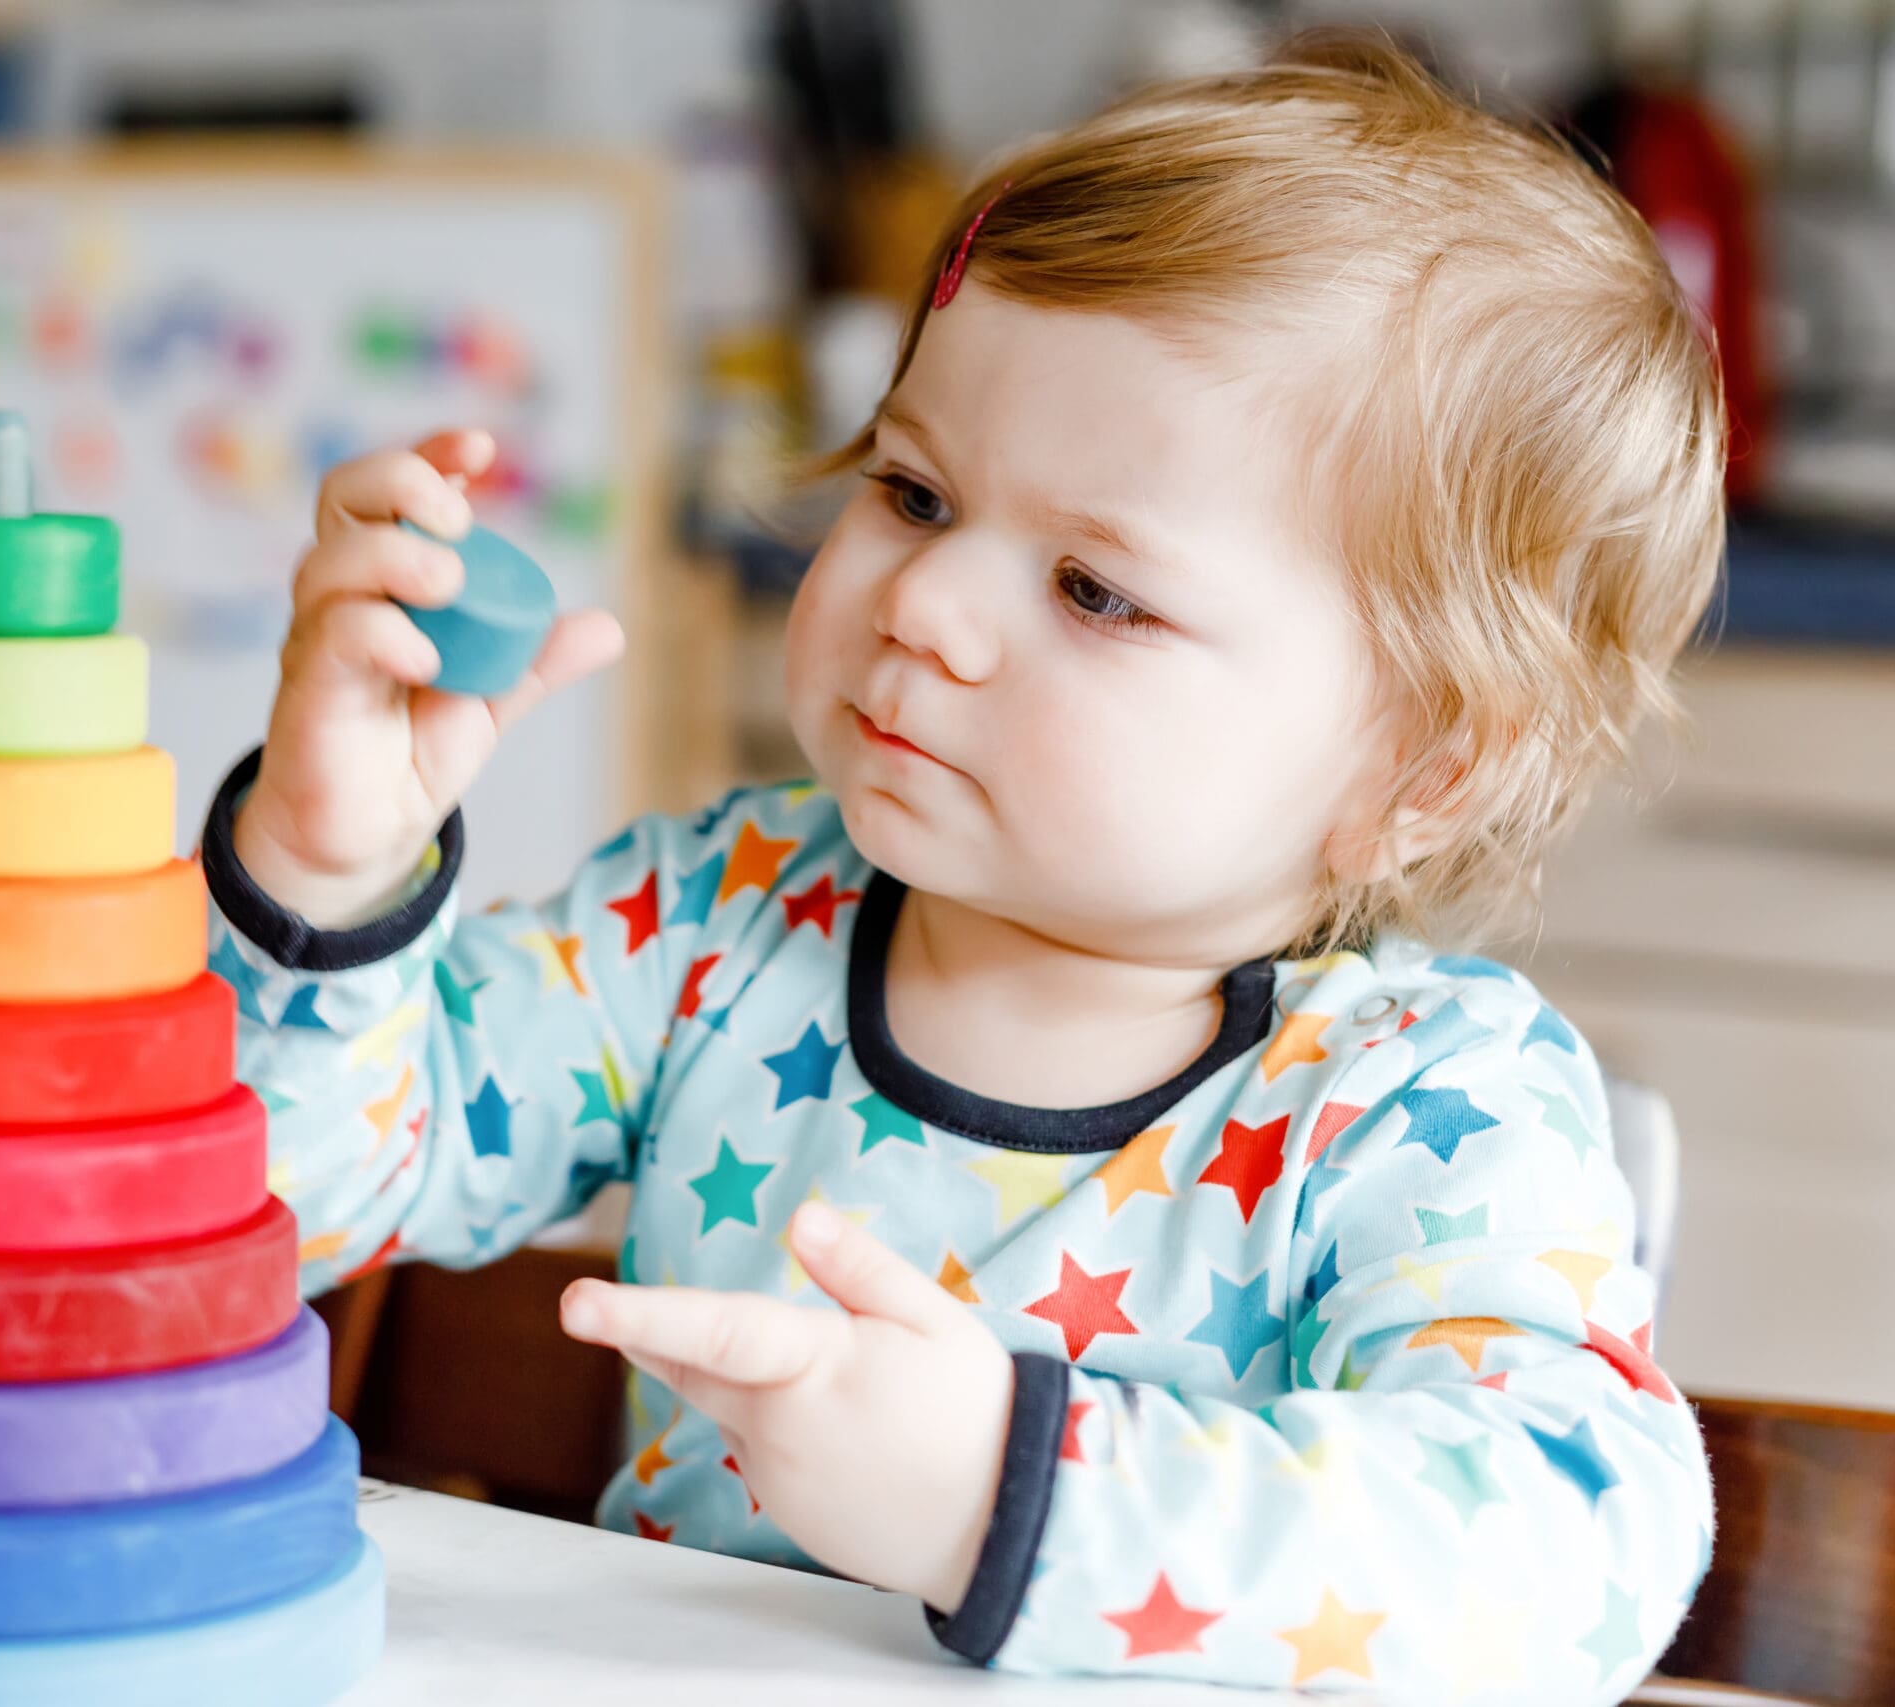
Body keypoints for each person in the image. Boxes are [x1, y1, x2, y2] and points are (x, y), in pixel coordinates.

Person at [200, 31, 1721, 1700]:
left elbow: (1575, 1560)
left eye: (1093, 590)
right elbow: (255, 1206)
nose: (923, 606)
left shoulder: (1428, 1108)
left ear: (1423, 768)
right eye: (915, 492)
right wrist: (330, 874)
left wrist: (1009, 1496)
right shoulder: (710, 921)